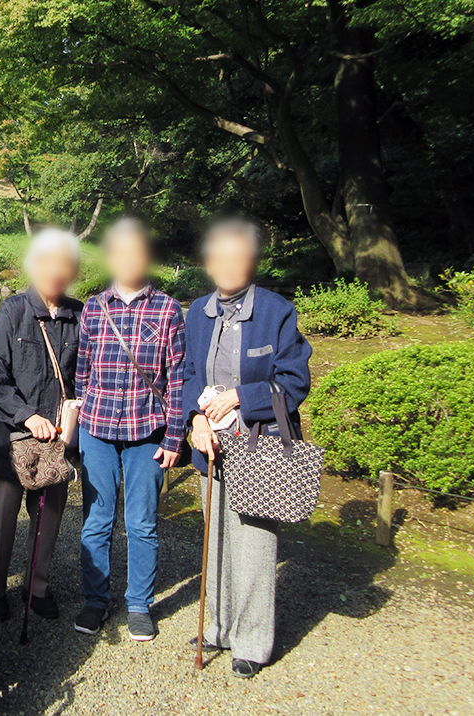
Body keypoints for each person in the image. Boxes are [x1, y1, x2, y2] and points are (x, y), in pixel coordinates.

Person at [182, 218, 312, 679]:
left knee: (254, 543)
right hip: (211, 443)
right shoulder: (197, 312)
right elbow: (188, 373)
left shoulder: (277, 311)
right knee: (216, 537)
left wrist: (240, 396)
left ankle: (252, 642)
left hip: (260, 446)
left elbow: (295, 381)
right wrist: (196, 419)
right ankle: (218, 627)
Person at [74, 218, 185, 642]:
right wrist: (79, 423)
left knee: (141, 522)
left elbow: (177, 378)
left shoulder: (168, 309)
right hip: (97, 428)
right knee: (96, 520)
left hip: (148, 431)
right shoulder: (93, 307)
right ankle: (95, 600)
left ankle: (139, 603)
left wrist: (174, 436)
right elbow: (82, 371)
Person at [0, 228, 83, 621]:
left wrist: (73, 414)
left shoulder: (79, 315)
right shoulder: (13, 311)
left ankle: (37, 587)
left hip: (54, 439)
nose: (56, 271)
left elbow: (85, 376)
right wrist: (27, 415)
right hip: (8, 436)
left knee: (48, 518)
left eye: (64, 264)